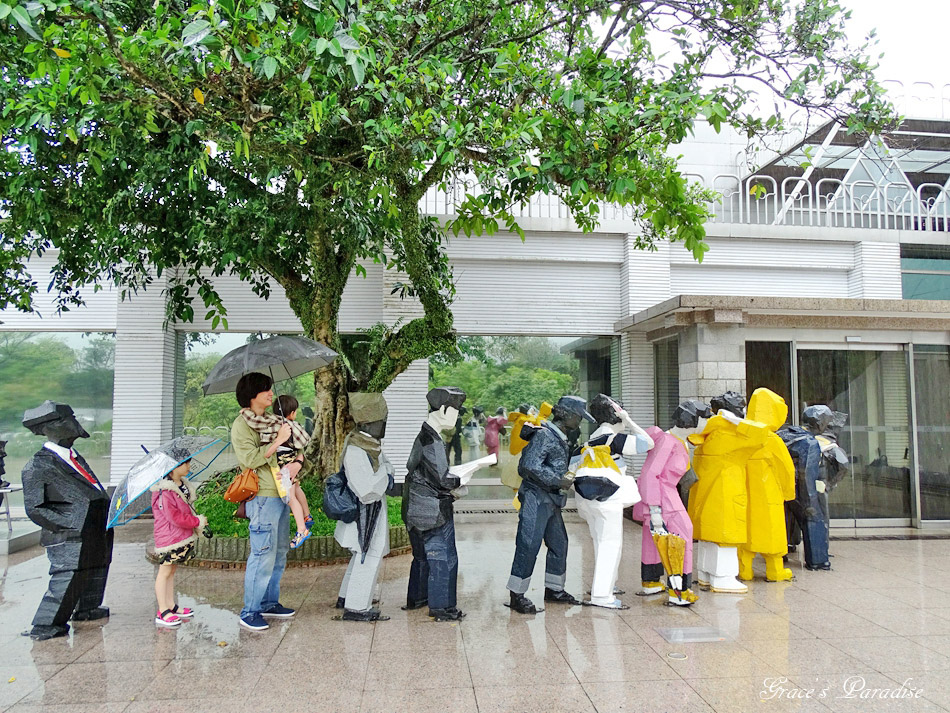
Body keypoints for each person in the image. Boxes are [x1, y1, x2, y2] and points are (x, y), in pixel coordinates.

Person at [20, 401, 114, 640]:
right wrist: (70, 525)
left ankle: (87, 608)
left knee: (95, 569)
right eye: (66, 419)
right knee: (68, 576)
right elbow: (35, 508)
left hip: (96, 527)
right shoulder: (38, 465)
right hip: (70, 534)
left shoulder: (75, 458)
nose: (74, 422)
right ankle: (47, 623)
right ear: (51, 427)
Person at [506, 395, 593, 614]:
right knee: (529, 544)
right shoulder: (545, 435)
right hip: (537, 497)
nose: (580, 421)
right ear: (565, 414)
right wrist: (558, 480)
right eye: (578, 417)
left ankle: (554, 590)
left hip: (551, 498)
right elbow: (528, 466)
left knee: (559, 543)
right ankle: (517, 595)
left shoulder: (558, 436)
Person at [232, 373, 302, 631]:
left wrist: (297, 462)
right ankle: (250, 610)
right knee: (262, 553)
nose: (271, 394)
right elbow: (250, 459)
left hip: (284, 493)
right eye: (265, 390)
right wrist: (278, 441)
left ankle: (270, 602)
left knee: (279, 551)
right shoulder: (242, 425)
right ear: (252, 396)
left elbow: (296, 448)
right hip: (262, 496)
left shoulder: (274, 420)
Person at [687, 390, 773, 594]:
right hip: (727, 492)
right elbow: (762, 434)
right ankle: (723, 578)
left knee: (708, 538)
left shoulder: (706, 435)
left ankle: (705, 575)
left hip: (706, 495)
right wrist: (736, 422)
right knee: (725, 538)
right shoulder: (731, 435)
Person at [575, 394, 653, 609]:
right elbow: (648, 442)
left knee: (600, 543)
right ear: (616, 415)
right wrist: (629, 421)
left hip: (586, 499)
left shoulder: (588, 441)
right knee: (610, 545)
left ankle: (606, 586)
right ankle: (602, 596)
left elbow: (572, 467)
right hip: (607, 499)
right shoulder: (613, 439)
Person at [635, 400, 711, 606]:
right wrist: (654, 508)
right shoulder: (669, 442)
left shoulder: (676, 440)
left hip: (661, 497)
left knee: (653, 540)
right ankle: (679, 591)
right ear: (693, 420)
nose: (706, 423)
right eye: (705, 419)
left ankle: (651, 582)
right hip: (664, 497)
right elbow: (651, 473)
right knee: (682, 535)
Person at [403, 386, 468, 622]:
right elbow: (443, 479)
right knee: (443, 556)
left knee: (421, 557)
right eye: (456, 411)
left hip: (416, 507)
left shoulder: (424, 435)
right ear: (442, 410)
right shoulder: (432, 441)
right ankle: (442, 607)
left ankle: (418, 597)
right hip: (432, 510)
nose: (457, 416)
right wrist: (463, 477)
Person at [335, 393, 396, 622]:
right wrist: (386, 475)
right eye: (383, 422)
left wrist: (385, 473)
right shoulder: (357, 449)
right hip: (364, 514)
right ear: (369, 423)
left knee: (361, 556)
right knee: (366, 556)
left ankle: (346, 596)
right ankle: (357, 607)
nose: (385, 426)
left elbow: (387, 466)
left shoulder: (369, 445)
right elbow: (367, 490)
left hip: (372, 511)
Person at [738, 389, 796, 583]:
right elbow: (787, 470)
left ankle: (745, 570)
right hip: (769, 494)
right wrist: (788, 493)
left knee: (747, 532)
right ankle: (775, 570)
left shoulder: (742, 436)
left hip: (745, 493)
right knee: (772, 531)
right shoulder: (772, 440)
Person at [151, 450, 207, 627]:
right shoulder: (164, 490)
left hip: (179, 536)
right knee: (165, 572)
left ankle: (171, 605)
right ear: (174, 466)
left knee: (172, 571)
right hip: (168, 537)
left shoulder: (181, 484)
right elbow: (173, 516)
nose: (189, 467)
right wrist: (196, 521)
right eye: (185, 463)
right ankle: (162, 610)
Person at [273, 394, 315, 548]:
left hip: (284, 467)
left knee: (290, 498)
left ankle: (301, 530)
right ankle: (306, 515)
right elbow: (305, 440)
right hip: (291, 462)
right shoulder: (292, 425)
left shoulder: (277, 425)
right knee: (297, 489)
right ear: (291, 412)